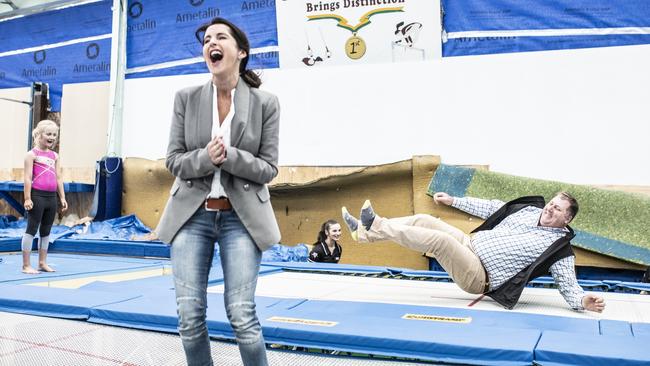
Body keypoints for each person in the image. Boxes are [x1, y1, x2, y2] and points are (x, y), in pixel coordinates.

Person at [155, 17, 281, 366]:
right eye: (207, 38)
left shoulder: (265, 104)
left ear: (240, 52)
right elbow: (174, 161)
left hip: (240, 219)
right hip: (191, 216)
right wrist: (206, 158)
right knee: (189, 317)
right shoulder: (186, 98)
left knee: (242, 314)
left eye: (221, 37)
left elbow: (269, 169)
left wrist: (233, 157)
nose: (212, 41)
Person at [341, 192, 606, 312]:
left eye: (557, 209)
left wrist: (583, 302)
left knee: (439, 241)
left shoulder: (560, 250)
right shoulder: (529, 212)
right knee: (425, 219)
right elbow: (491, 207)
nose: (549, 209)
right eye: (551, 203)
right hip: (470, 244)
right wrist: (454, 201)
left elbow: (568, 285)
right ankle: (362, 233)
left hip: (480, 275)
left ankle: (375, 224)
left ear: (567, 219)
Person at [21, 119, 68, 274]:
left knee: (46, 230)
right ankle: (26, 265)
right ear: (39, 135)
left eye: (54, 135)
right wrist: (27, 198)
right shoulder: (31, 154)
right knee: (32, 228)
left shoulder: (55, 156)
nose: (52, 137)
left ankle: (42, 262)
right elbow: (27, 177)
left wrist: (62, 197)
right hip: (37, 196)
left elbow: (58, 177)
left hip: (51, 197)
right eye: (48, 134)